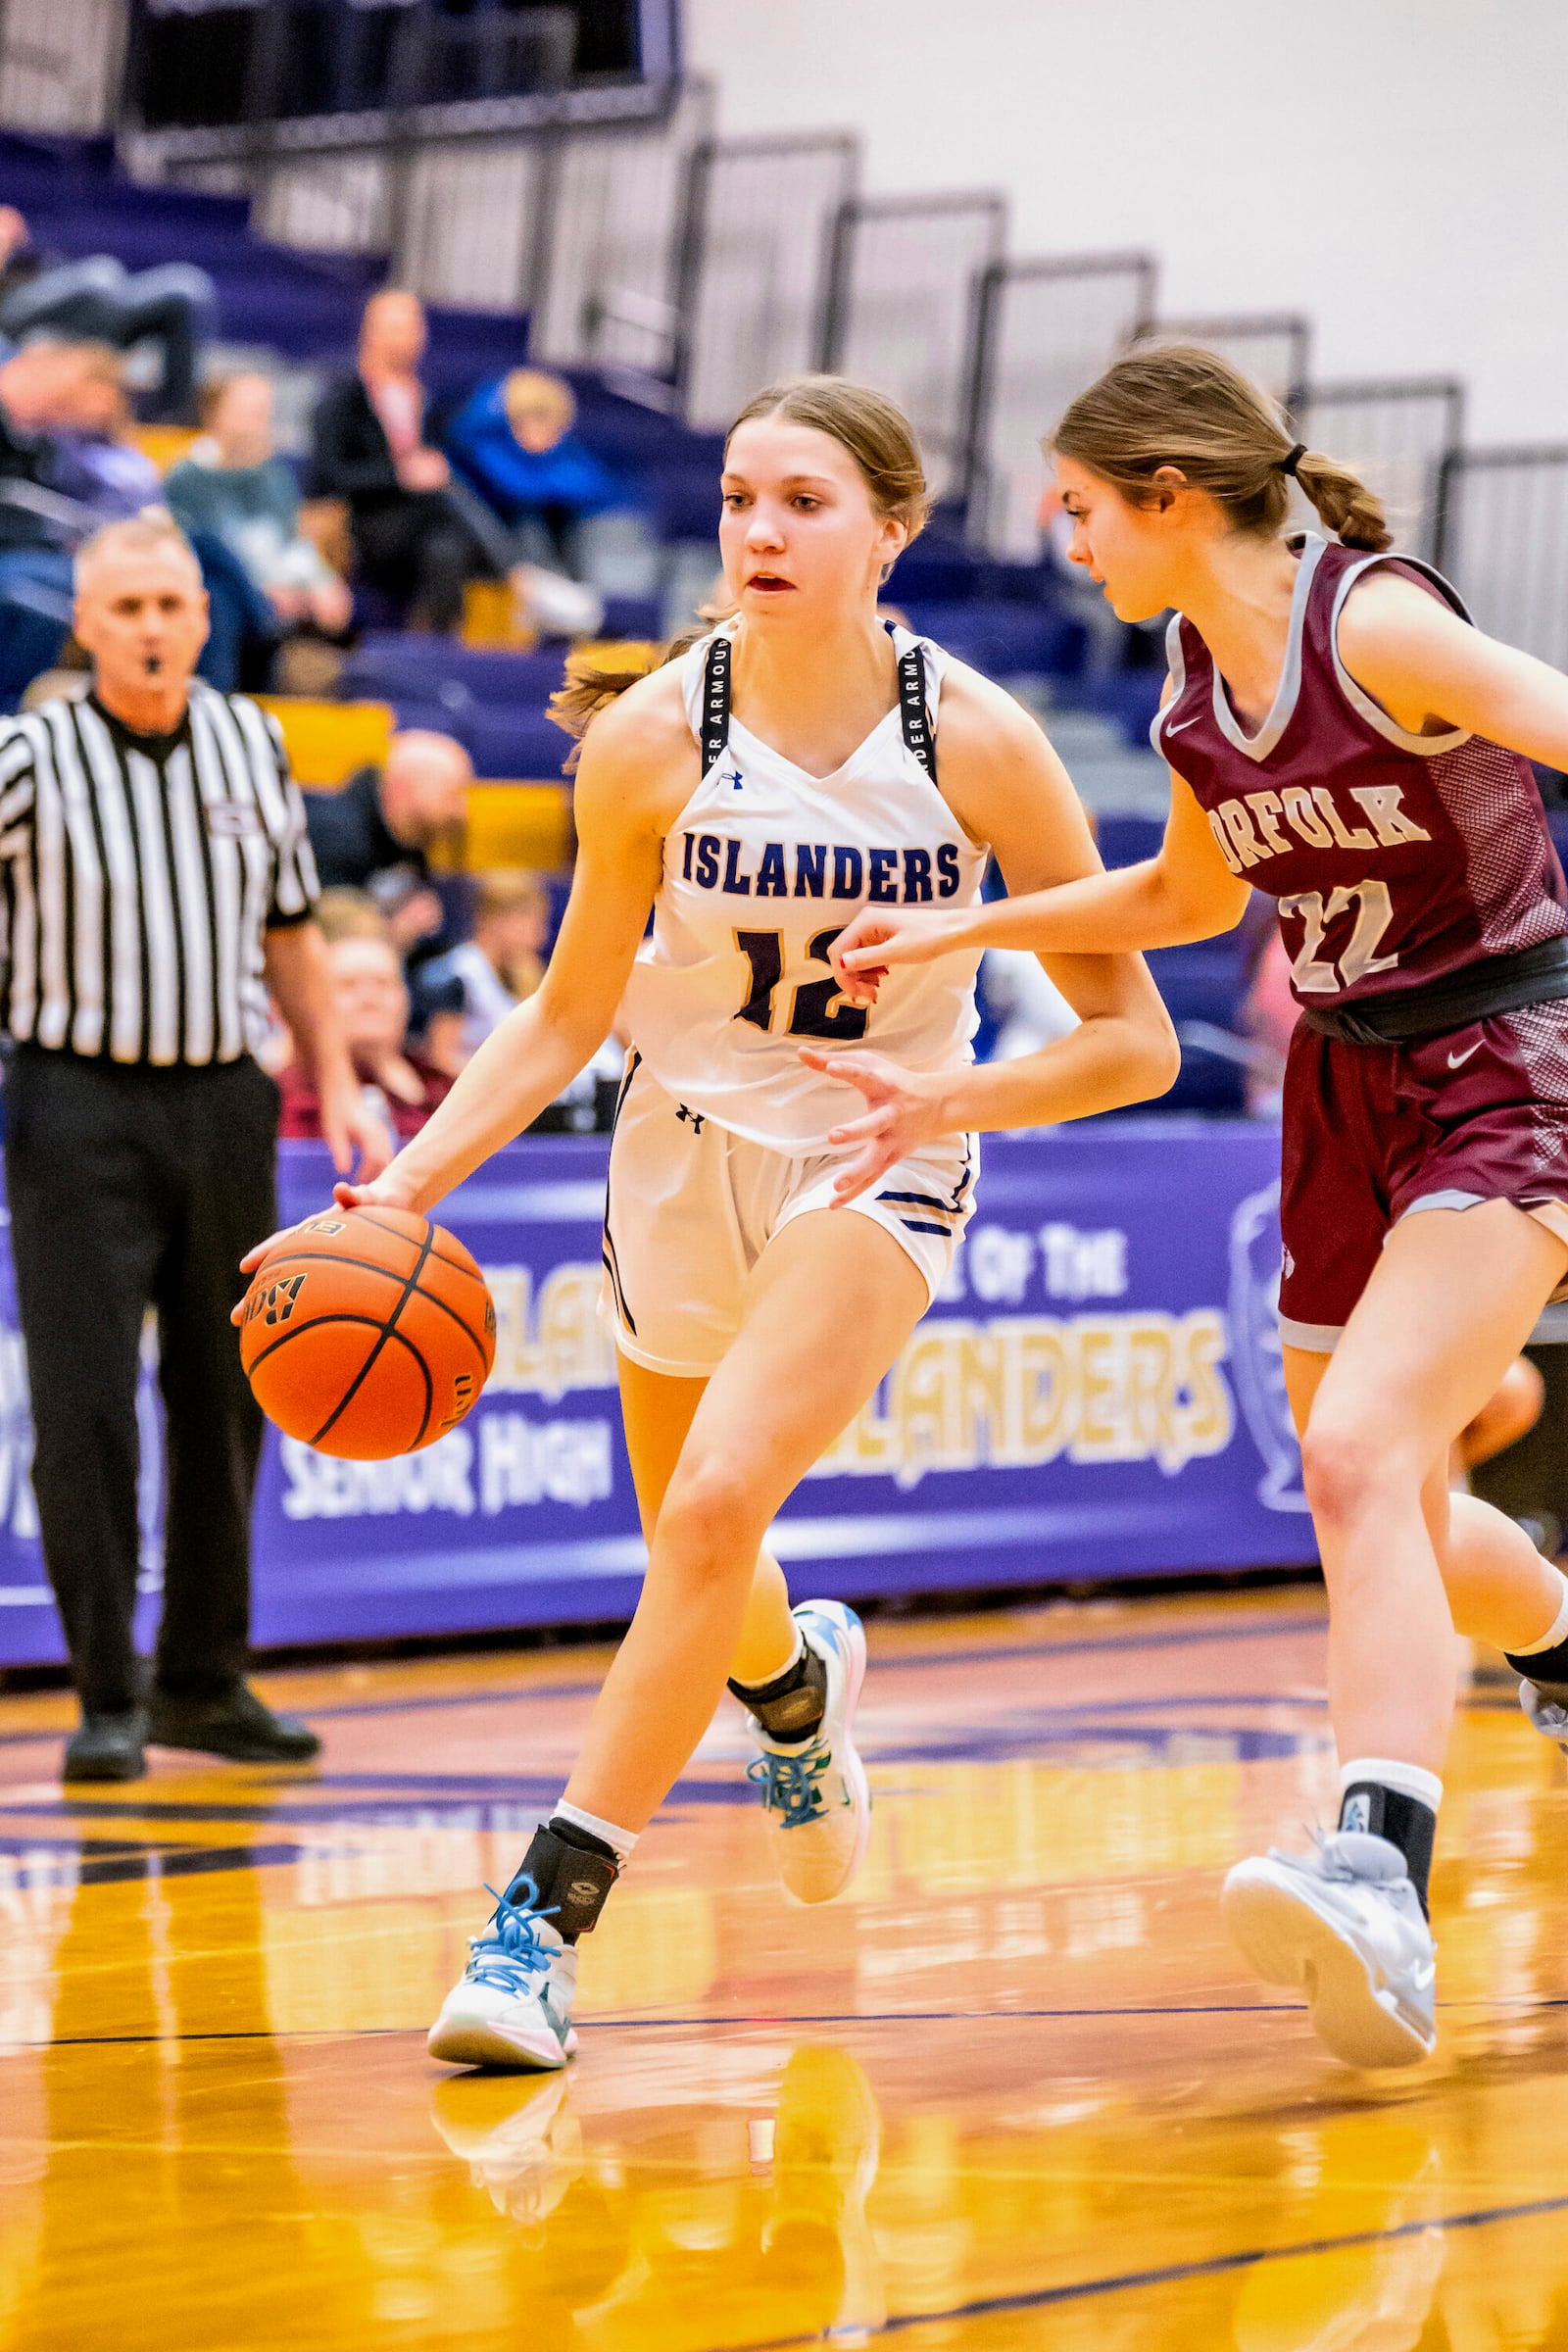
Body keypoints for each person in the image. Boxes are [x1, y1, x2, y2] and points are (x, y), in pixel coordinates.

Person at [243, 371, 1177, 2071]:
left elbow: (1137, 1040)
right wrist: (397, 1188)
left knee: (719, 1501)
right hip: (676, 1149)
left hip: (877, 1156)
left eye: (803, 501)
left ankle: (540, 1925)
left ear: (894, 528)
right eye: (741, 496)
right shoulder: (653, 737)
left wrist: (950, 1100)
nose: (758, 527)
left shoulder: (973, 738)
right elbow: (560, 1016)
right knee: (699, 1536)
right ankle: (799, 1698)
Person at [829, 343, 1568, 2073]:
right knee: (1366, 1485)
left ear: (1170, 498)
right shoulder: (1182, 684)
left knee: (1364, 1451)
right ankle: (1562, 1628)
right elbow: (1179, 889)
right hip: (1343, 1085)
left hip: (1508, 1048)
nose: (1061, 539)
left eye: (1080, 509)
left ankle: (1381, 1873)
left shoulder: (1369, 625)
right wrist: (964, 931)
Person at [0, 510, 389, 1784]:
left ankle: (203, 1681)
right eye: (128, 609)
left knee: (232, 1395)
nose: (154, 628)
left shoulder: (247, 739)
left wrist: (333, 1080)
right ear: (87, 623)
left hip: (226, 1100)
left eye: (172, 605)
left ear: (205, 618)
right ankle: (107, 1693)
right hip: (75, 1104)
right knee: (85, 1404)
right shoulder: (29, 754)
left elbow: (291, 929)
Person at [309, 289, 503, 631]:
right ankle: (511, 566)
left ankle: (433, 650)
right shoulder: (341, 398)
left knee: (445, 548)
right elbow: (327, 476)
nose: (405, 339)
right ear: (370, 333)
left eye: (412, 328)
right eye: (394, 328)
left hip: (427, 530)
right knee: (444, 507)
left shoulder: (432, 401)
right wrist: (399, 476)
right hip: (366, 523)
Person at [166, 373, 354, 640]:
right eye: (250, 414)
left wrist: (322, 582)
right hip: (230, 597)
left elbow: (290, 542)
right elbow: (208, 554)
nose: (260, 427)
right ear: (215, 415)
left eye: (265, 415)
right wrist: (263, 588)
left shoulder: (274, 475)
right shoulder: (186, 479)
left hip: (284, 595)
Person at [0, 207, 215, 421]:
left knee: (179, 290)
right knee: (98, 277)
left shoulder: (31, 264)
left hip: (78, 309)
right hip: (20, 323)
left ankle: (172, 414)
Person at [304, 725, 470, 956]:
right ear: (403, 787)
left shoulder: (412, 841)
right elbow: (323, 937)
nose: (461, 812)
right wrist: (391, 938)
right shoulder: (334, 839)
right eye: (452, 794)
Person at [443, 368, 626, 577]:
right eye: (534, 422)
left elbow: (595, 487)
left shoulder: (565, 454)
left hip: (545, 546)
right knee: (528, 522)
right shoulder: (477, 449)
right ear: (510, 420)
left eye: (555, 427)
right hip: (480, 548)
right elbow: (517, 488)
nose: (545, 435)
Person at [278, 928, 452, 1145]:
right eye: (348, 985)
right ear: (313, 1004)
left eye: (383, 983)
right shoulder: (284, 1099)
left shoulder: (447, 1087)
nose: (369, 998)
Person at [416, 868, 551, 1061]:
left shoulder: (524, 972)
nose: (540, 936)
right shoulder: (457, 974)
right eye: (533, 924)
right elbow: (441, 1057)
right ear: (494, 920)